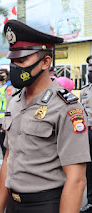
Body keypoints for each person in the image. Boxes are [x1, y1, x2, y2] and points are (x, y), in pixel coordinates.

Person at [0, 20, 90, 213]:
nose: (15, 67)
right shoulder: (15, 101)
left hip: (45, 204)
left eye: (21, 61)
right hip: (13, 203)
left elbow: (76, 179)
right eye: (13, 62)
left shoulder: (66, 107)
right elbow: (9, 158)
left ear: (46, 62)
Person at [0, 68, 15, 178]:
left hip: (6, 122)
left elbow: (9, 106)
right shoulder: (0, 87)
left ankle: (8, 171)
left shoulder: (9, 88)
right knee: (2, 146)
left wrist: (5, 122)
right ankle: (4, 170)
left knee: (7, 147)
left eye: (2, 73)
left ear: (7, 75)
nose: (0, 75)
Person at [79, 55, 92, 213]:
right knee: (89, 169)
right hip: (88, 133)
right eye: (89, 69)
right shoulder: (84, 91)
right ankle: (90, 201)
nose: (90, 72)